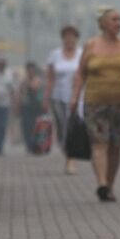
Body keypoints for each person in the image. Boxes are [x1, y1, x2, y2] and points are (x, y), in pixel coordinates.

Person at [71, 7, 120, 202]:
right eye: (113, 20)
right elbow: (81, 72)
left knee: (116, 146)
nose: (118, 24)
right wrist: (75, 96)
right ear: (102, 23)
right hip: (95, 103)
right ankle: (101, 183)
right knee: (99, 143)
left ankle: (110, 185)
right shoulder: (91, 45)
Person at [44, 26, 82, 173]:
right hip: (57, 97)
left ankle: (71, 159)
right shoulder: (54, 55)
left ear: (76, 39)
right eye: (66, 37)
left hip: (77, 97)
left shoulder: (82, 54)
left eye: (72, 37)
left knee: (72, 128)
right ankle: (67, 154)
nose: (69, 40)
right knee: (61, 130)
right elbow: (50, 78)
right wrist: (46, 98)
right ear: (63, 38)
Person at [19, 62, 45, 153]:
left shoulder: (38, 80)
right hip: (26, 107)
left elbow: (37, 89)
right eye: (29, 70)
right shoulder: (23, 81)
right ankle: (28, 146)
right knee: (27, 127)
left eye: (32, 70)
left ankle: (37, 146)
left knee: (36, 127)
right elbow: (20, 94)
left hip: (36, 107)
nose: (30, 72)